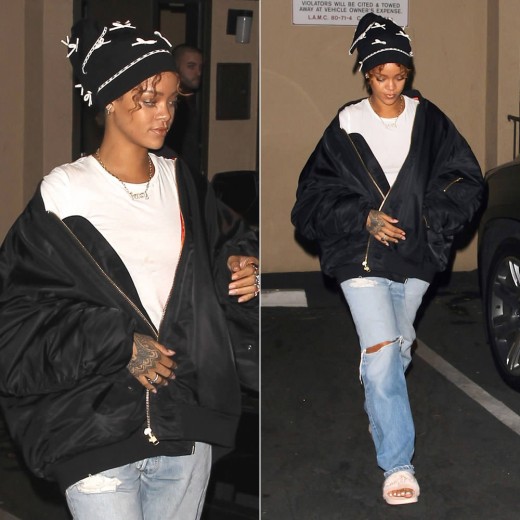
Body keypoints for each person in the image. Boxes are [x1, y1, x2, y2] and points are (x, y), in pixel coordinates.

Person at [0, 18, 259, 520]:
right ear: (110, 100)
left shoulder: (183, 182)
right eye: (149, 99)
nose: (165, 113)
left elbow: (226, 250)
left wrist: (243, 268)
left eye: (172, 100)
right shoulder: (63, 195)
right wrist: (118, 343)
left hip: (184, 424)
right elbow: (17, 323)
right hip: (94, 428)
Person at [291, 13, 484, 506]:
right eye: (381, 76)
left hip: (416, 255)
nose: (392, 86)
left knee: (396, 350)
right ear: (366, 74)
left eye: (400, 76)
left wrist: (429, 219)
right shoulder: (347, 124)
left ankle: (381, 380)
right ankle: (398, 463)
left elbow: (466, 179)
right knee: (381, 357)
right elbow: (310, 200)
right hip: (360, 258)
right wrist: (363, 217)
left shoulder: (430, 120)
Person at [162, 44, 204, 176]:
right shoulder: (169, 103)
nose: (198, 73)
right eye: (191, 66)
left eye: (200, 67)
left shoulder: (191, 100)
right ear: (175, 67)